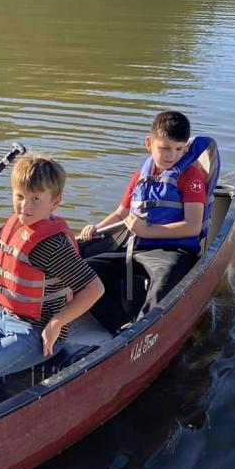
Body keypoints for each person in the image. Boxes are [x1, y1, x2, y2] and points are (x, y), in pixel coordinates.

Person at [0, 153, 104, 404]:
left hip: (37, 333)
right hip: (4, 319)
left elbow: (94, 288)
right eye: (19, 196)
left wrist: (56, 323)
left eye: (35, 199)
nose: (25, 207)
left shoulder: (52, 245)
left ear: (55, 201)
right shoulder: (17, 225)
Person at [78, 110, 214, 329]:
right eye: (165, 148)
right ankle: (121, 326)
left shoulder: (191, 177)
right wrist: (95, 229)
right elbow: (121, 214)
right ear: (149, 143)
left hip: (173, 252)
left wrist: (148, 231)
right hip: (135, 248)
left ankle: (145, 328)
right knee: (81, 273)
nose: (172, 155)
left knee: (165, 279)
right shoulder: (139, 177)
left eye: (179, 149)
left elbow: (192, 226)